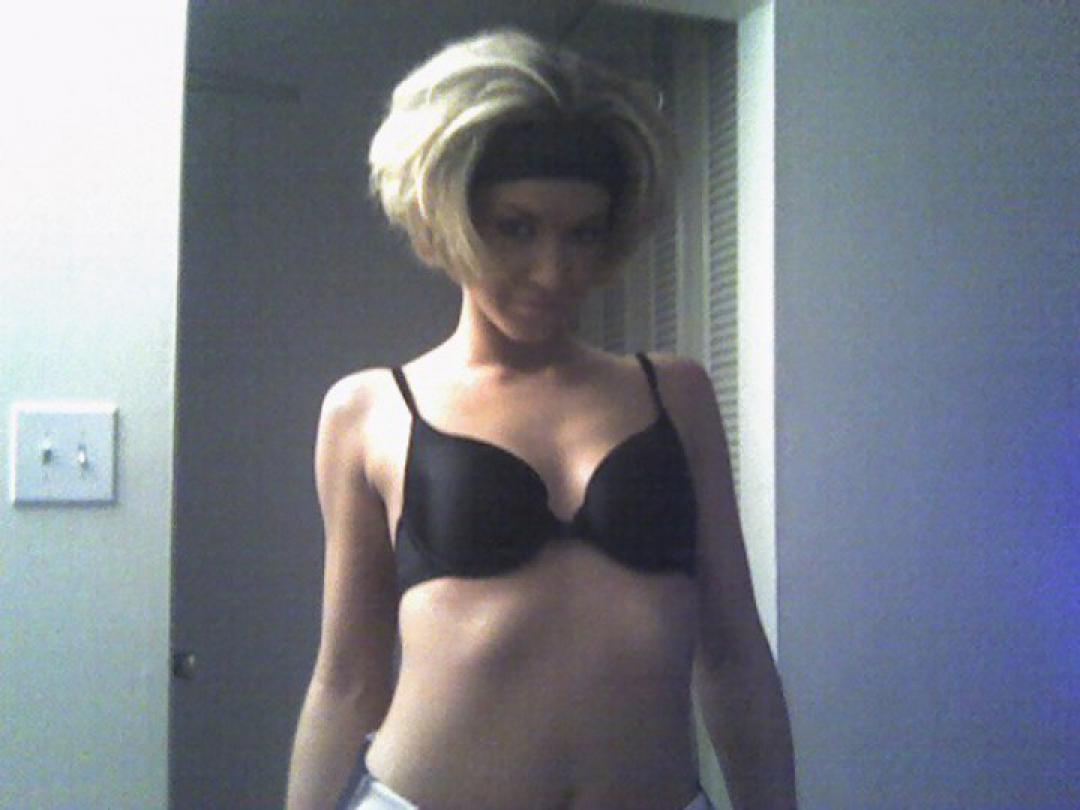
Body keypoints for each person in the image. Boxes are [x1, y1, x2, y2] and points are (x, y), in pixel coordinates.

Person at [286, 29, 796, 810]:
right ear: (447, 214)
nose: (554, 270)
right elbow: (347, 679)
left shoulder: (675, 394)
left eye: (581, 232)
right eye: (515, 227)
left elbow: (733, 655)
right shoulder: (370, 410)